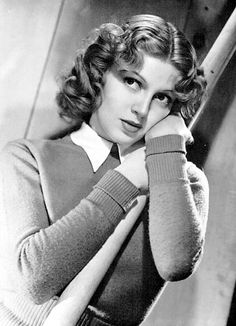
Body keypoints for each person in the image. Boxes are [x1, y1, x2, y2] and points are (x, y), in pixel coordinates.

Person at [0, 14, 209, 326]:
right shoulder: (27, 158)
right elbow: (35, 279)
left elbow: (175, 263)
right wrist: (125, 181)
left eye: (161, 98)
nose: (141, 109)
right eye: (131, 82)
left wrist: (166, 150)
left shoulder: (182, 180)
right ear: (99, 74)